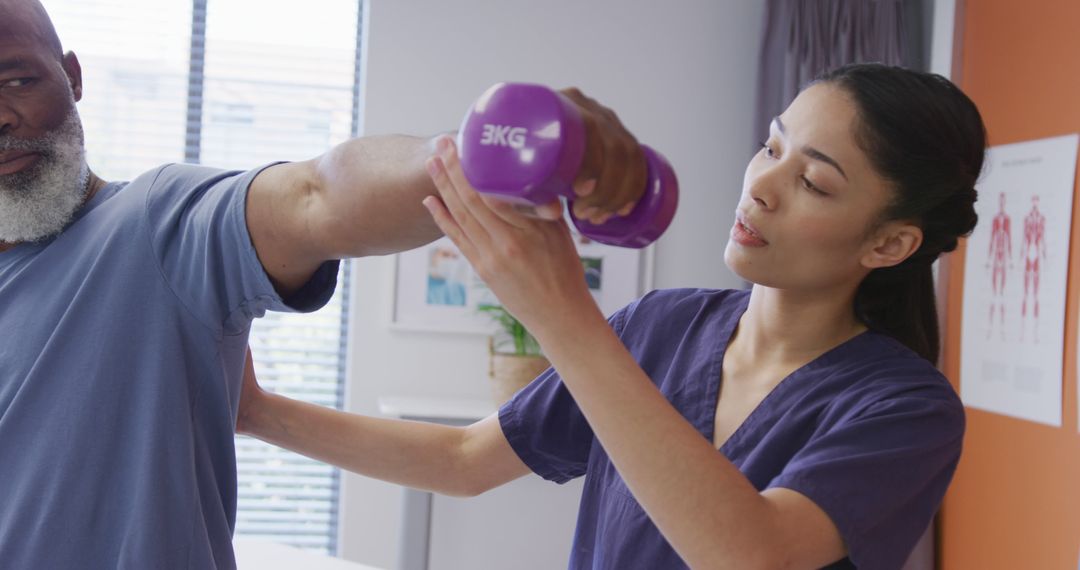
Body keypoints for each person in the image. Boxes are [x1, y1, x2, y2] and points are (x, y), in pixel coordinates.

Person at [238, 62, 987, 569]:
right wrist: (256, 412)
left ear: (891, 243)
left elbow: (750, 553)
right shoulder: (665, 326)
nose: (761, 187)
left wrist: (562, 313)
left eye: (815, 183)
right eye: (770, 147)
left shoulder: (906, 410)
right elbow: (465, 462)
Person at [0, 1, 645, 568]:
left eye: (18, 79)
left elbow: (318, 195)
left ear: (74, 77)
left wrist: (484, 153)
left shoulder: (154, 225)